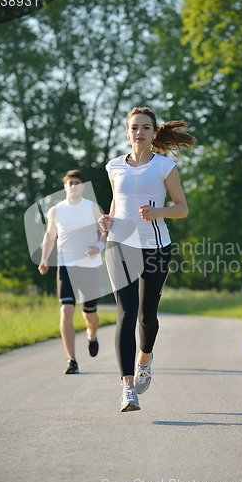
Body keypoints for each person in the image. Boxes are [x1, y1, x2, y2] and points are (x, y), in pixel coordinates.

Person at [99, 107, 195, 411]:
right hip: (120, 245)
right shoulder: (113, 166)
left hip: (156, 245)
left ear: (154, 133)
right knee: (126, 313)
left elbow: (182, 208)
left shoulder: (165, 167)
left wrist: (159, 212)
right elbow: (116, 202)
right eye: (134, 127)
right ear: (127, 132)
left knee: (147, 317)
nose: (139, 132)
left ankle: (144, 360)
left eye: (145, 127)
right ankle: (128, 388)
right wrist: (107, 219)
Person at [38, 170, 106, 374]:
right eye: (70, 183)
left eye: (77, 183)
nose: (73, 186)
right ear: (65, 187)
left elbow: (106, 232)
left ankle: (92, 336)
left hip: (89, 267)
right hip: (65, 266)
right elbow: (50, 236)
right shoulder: (56, 211)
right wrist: (43, 258)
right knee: (66, 310)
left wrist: (98, 248)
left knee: (89, 315)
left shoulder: (92, 208)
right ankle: (72, 360)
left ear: (82, 187)